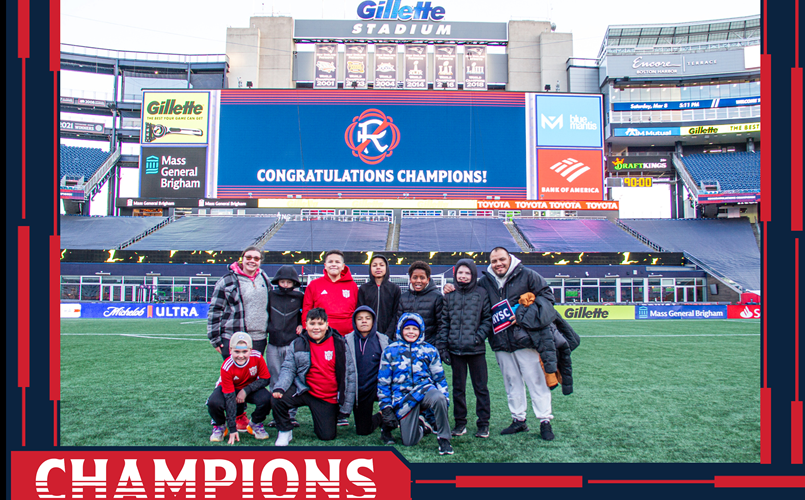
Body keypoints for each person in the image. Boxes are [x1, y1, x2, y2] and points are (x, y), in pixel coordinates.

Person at [444, 247, 559, 441]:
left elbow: (548, 298)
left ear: (510, 259)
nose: (498, 264)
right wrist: (451, 287)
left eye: (501, 260)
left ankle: (544, 420)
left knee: (535, 380)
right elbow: (468, 289)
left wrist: (522, 315)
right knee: (511, 382)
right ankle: (518, 419)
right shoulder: (486, 281)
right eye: (494, 261)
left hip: (525, 339)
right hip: (500, 342)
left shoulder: (528, 275)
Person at [207, 246, 271, 433]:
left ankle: (244, 414)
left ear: (260, 261)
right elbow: (215, 310)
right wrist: (214, 338)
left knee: (250, 375)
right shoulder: (227, 280)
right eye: (249, 257)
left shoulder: (264, 278)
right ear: (242, 258)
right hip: (232, 337)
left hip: (258, 337)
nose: (252, 261)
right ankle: (231, 414)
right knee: (232, 375)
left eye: (256, 258)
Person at [271, 308, 357, 445]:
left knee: (327, 436)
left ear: (327, 325)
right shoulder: (298, 343)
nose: (316, 328)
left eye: (320, 323)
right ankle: (285, 430)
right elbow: (288, 368)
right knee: (277, 398)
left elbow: (350, 375)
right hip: (304, 389)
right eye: (312, 324)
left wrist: (346, 407)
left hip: (326, 397)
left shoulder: (339, 343)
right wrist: (280, 387)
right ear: (306, 325)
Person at [378, 313, 453, 455]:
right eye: (407, 329)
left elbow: (439, 378)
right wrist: (386, 407)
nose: (411, 332)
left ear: (421, 331)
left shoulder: (430, 350)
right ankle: (422, 424)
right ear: (400, 330)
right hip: (404, 399)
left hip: (424, 390)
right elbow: (383, 383)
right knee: (409, 442)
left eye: (414, 329)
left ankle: (444, 439)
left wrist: (445, 399)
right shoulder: (390, 351)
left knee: (439, 398)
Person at [437, 258, 493, 439]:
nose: (463, 276)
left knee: (481, 388)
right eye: (460, 272)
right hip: (455, 351)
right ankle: (460, 423)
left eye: (467, 273)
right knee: (458, 389)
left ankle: (483, 424)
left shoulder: (482, 293)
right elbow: (444, 322)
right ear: (455, 274)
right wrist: (443, 347)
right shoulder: (449, 294)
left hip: (476, 350)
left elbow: (487, 319)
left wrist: (478, 338)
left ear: (473, 275)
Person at [396, 261, 444, 430]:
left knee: (429, 385)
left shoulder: (437, 297)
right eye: (414, 277)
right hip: (406, 353)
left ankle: (432, 419)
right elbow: (398, 325)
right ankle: (411, 416)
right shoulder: (403, 297)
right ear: (409, 278)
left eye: (422, 277)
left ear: (428, 279)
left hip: (428, 352)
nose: (418, 281)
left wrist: (435, 348)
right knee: (409, 384)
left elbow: (441, 324)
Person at [206, 332, 273, 443]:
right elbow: (230, 398)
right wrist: (233, 428)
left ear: (250, 350)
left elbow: (265, 379)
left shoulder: (257, 357)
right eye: (236, 351)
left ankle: (255, 423)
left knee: (267, 399)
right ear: (230, 350)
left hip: (248, 387)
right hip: (229, 389)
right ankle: (220, 426)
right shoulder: (227, 367)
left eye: (244, 351)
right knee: (214, 402)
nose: (241, 356)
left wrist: (246, 391)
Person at [344, 305, 396, 444]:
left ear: (373, 321)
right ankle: (379, 416)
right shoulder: (346, 340)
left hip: (378, 387)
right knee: (363, 430)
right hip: (359, 391)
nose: (364, 321)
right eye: (360, 319)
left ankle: (388, 415)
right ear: (355, 322)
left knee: (396, 399)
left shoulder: (383, 340)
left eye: (368, 318)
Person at [266, 265, 305, 428]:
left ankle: (291, 415)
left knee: (291, 379)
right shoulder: (270, 295)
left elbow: (305, 314)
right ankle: (277, 416)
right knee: (274, 379)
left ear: (294, 283)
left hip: (292, 344)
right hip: (273, 343)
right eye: (282, 281)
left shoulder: (300, 297)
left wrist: (302, 325)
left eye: (289, 282)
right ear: (277, 281)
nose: (285, 285)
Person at [302, 249, 358, 336]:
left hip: (348, 336)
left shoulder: (352, 285)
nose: (334, 264)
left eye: (337, 262)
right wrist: (306, 330)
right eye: (330, 262)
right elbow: (306, 309)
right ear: (325, 265)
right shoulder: (314, 285)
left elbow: (357, 310)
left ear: (343, 266)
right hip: (322, 336)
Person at [357, 254, 401, 339]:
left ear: (386, 268)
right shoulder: (363, 289)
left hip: (388, 336)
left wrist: (388, 334)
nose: (378, 268)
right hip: (368, 335)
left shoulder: (394, 289)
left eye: (381, 265)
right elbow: (361, 312)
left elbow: (396, 314)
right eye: (374, 265)